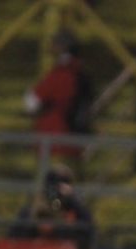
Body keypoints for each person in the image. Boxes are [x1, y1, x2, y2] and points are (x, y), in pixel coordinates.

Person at [24, 31, 91, 160]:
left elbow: (32, 102)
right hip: (73, 139)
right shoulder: (81, 73)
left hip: (54, 139)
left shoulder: (62, 74)